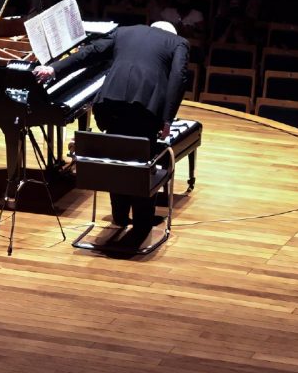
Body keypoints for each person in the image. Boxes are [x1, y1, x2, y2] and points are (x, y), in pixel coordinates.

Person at [33, 21, 189, 233]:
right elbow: (178, 77)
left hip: (108, 104)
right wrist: (167, 119)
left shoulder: (124, 31)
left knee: (117, 154)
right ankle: (142, 222)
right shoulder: (178, 42)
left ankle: (120, 216)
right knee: (141, 159)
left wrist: (53, 69)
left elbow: (89, 52)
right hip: (145, 107)